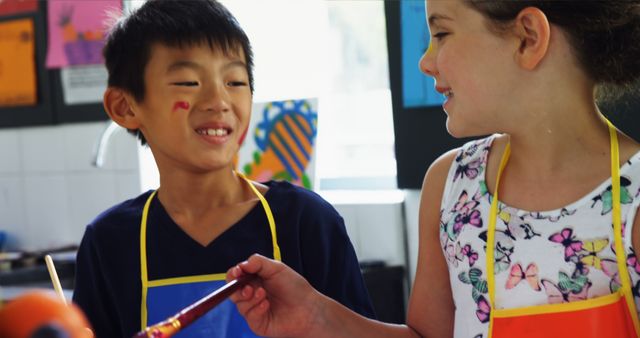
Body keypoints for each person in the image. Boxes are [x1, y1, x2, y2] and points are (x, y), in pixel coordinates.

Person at [228, 1, 640, 337]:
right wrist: (315, 315)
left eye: (441, 33)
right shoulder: (452, 187)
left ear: (527, 38)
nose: (426, 61)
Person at [72, 1, 375, 337]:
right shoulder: (111, 241)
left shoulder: (306, 222)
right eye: (188, 82)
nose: (219, 100)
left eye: (235, 81)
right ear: (125, 106)